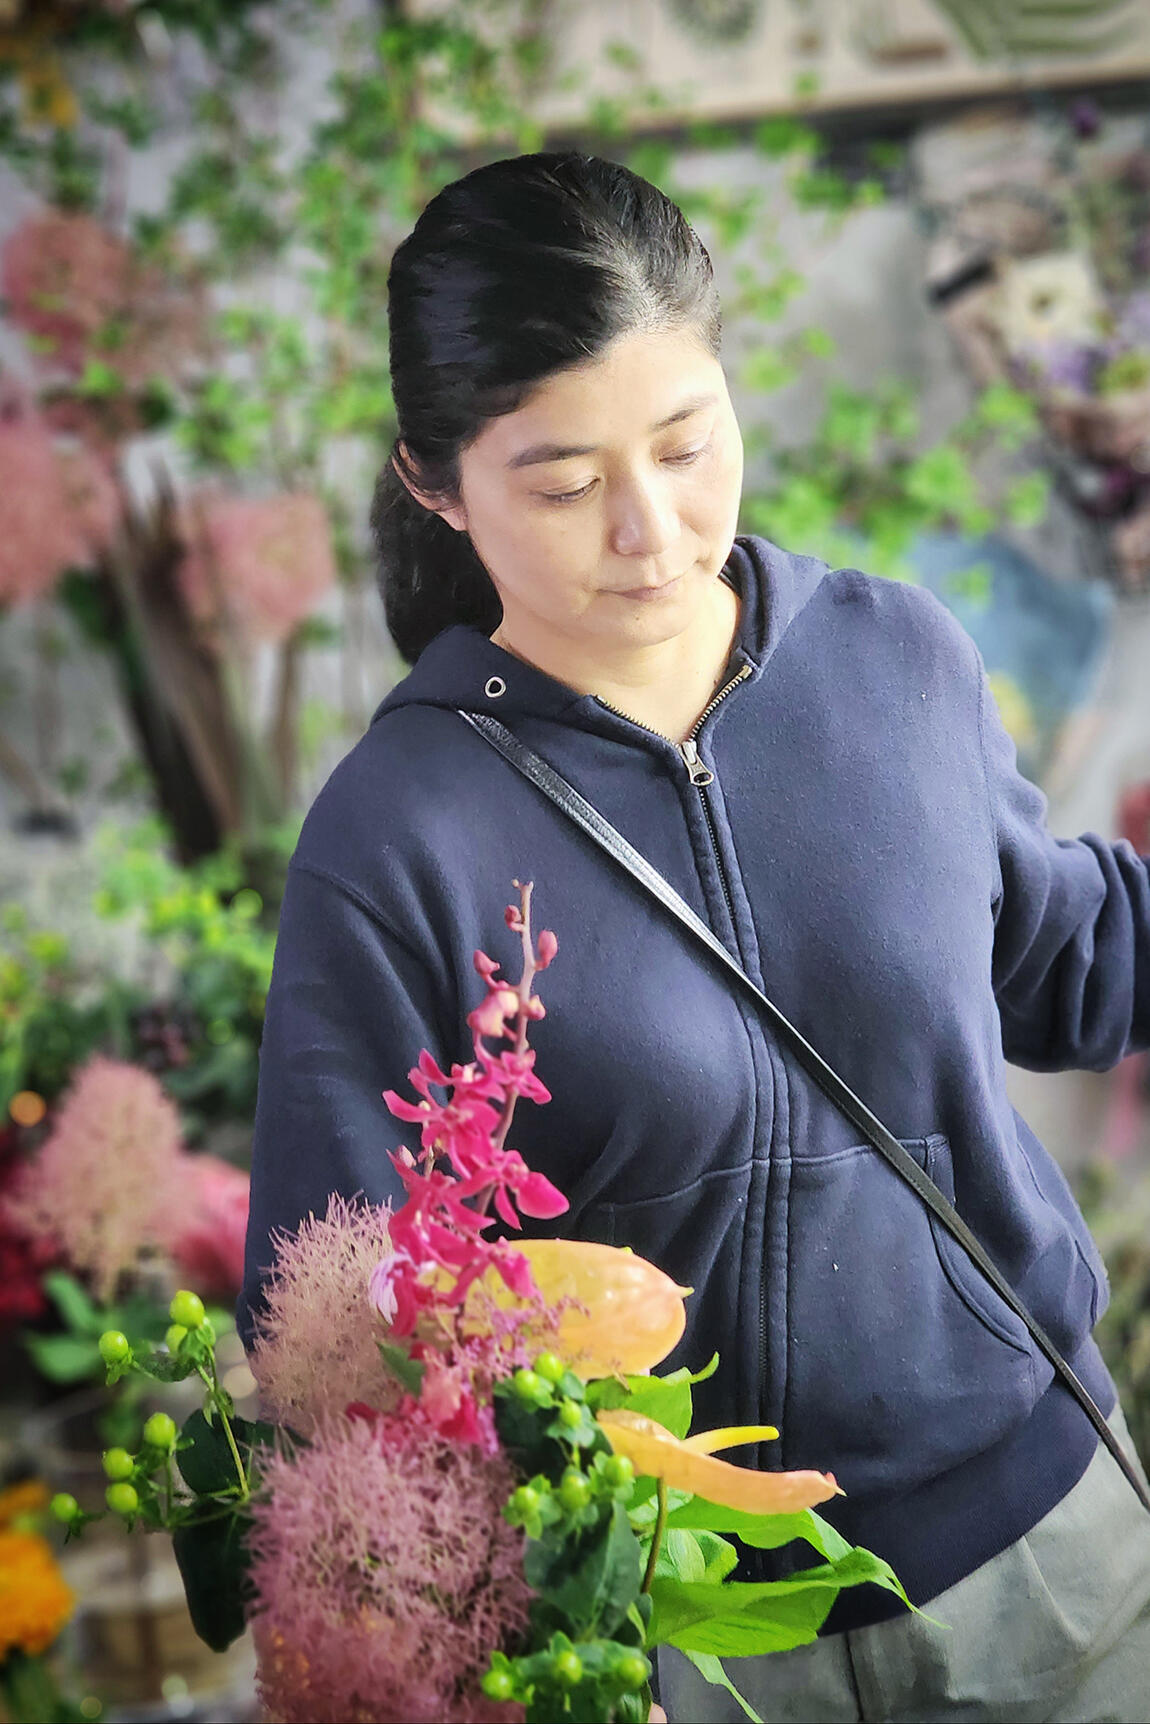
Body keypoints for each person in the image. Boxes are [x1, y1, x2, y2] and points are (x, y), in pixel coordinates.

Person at [239, 150, 1150, 1722]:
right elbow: (337, 1327)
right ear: (434, 484)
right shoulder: (396, 837)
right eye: (564, 481)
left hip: (1050, 1557)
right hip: (685, 1641)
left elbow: (1064, 966)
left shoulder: (896, 661)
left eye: (686, 442)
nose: (652, 529)